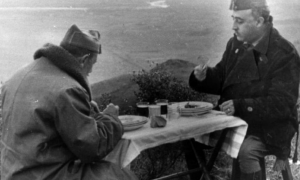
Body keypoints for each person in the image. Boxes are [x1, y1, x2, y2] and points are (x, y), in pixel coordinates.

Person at [1, 24, 138, 180]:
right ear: (84, 60)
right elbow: (91, 148)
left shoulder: (18, 75)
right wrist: (110, 119)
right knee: (119, 175)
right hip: (44, 174)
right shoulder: (68, 89)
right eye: (92, 64)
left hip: (12, 171)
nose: (91, 71)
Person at [188, 0, 300, 179]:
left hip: (271, 128)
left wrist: (240, 105)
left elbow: (282, 105)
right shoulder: (236, 45)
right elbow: (224, 80)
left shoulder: (284, 53)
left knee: (246, 150)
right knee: (191, 134)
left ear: (259, 22)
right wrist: (204, 77)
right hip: (238, 120)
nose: (233, 26)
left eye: (239, 21)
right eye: (233, 19)